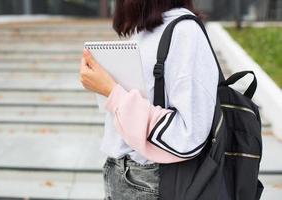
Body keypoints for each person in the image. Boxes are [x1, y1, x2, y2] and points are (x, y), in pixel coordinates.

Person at [79, 0, 219, 199]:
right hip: (121, 172)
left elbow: (190, 135)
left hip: (151, 181)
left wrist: (112, 92)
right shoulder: (145, 30)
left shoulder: (185, 31)